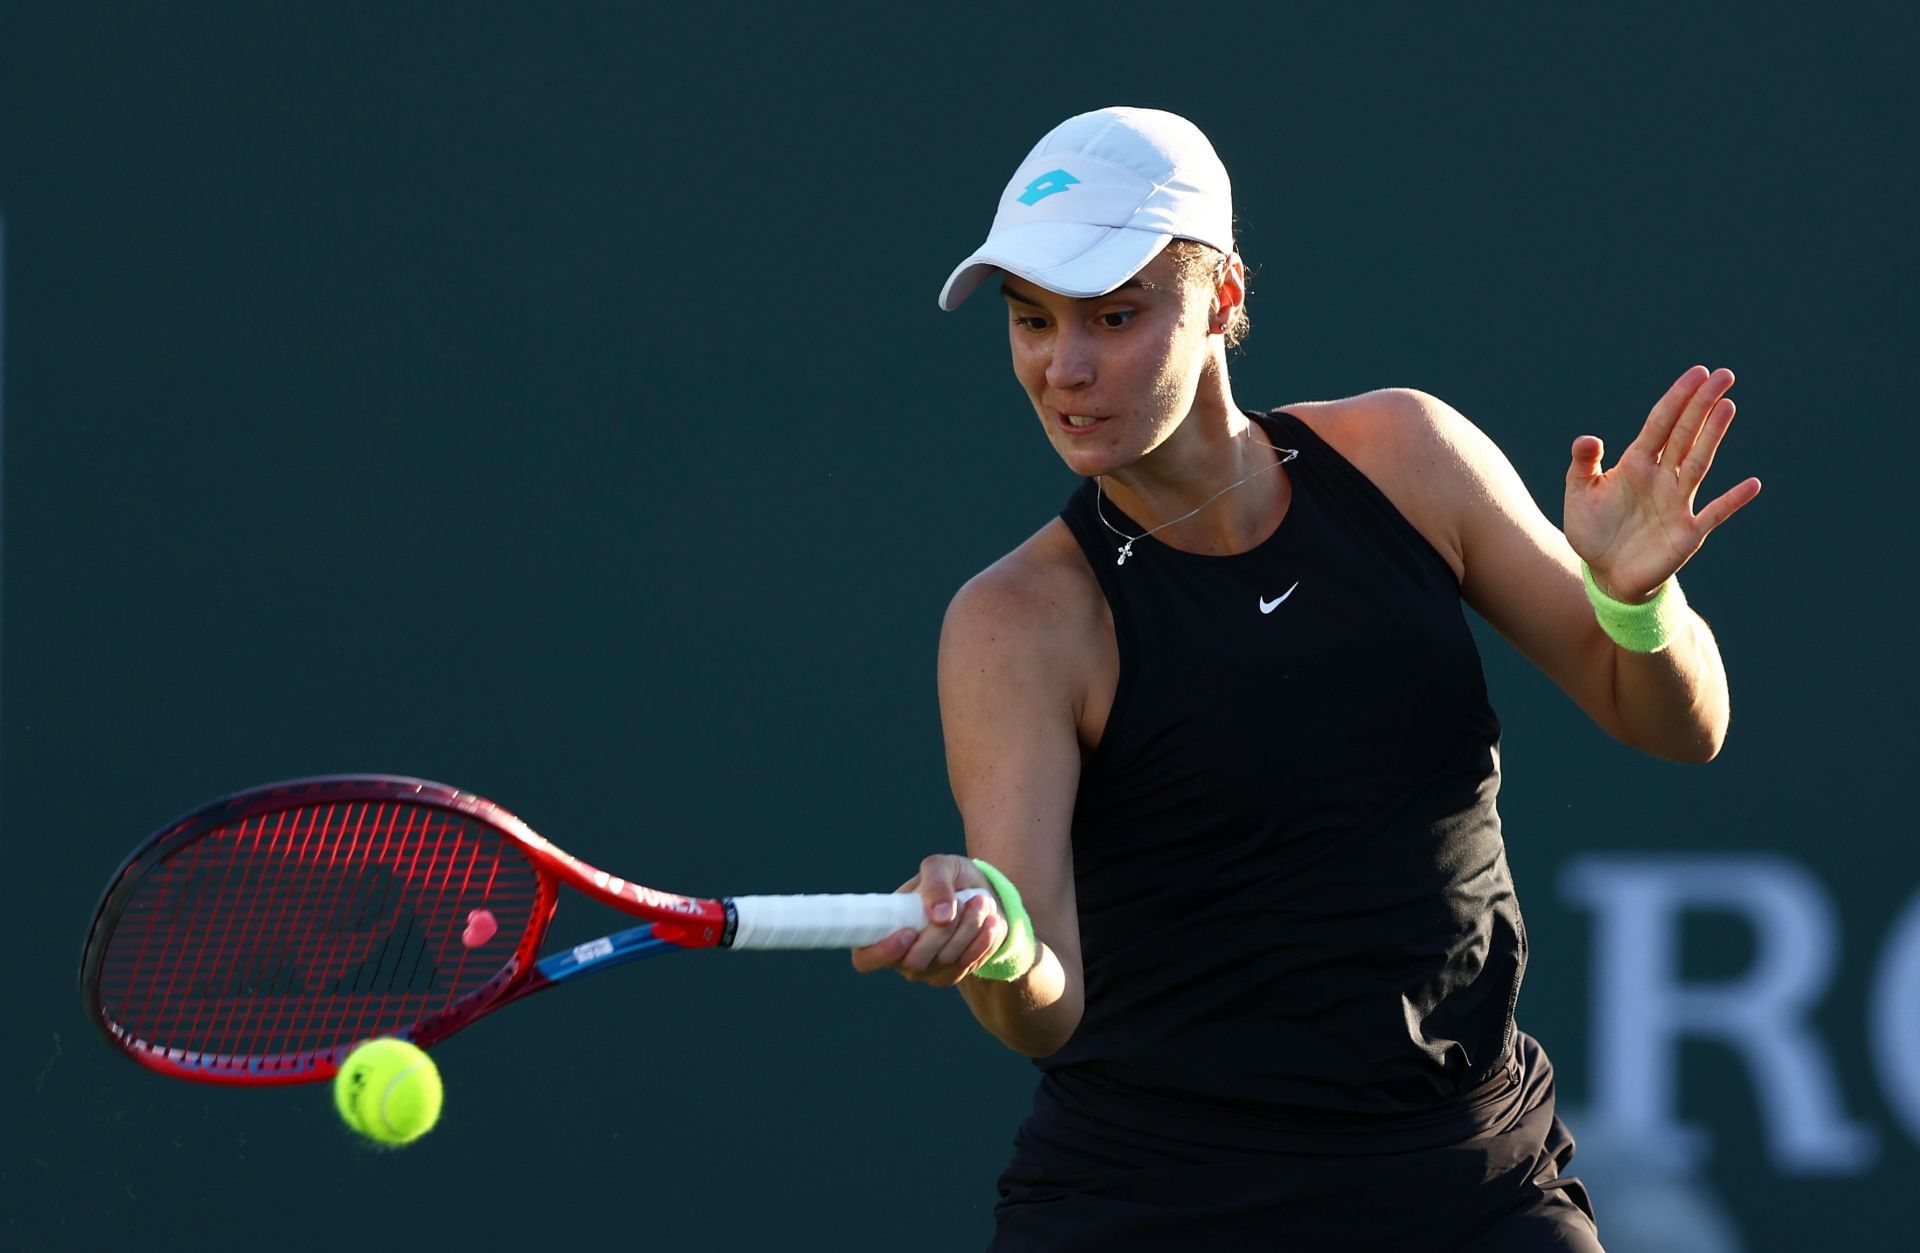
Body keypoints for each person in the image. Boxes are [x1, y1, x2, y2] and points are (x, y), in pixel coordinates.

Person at [850, 106, 1760, 1252]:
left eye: (1114, 316)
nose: (1062, 367)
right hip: (1156, 1205)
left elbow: (1683, 725)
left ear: (1224, 299)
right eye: (1032, 321)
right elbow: (1046, 1002)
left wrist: (1636, 602)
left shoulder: (1412, 459)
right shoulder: (1020, 623)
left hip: (1469, 1179)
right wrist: (999, 944)